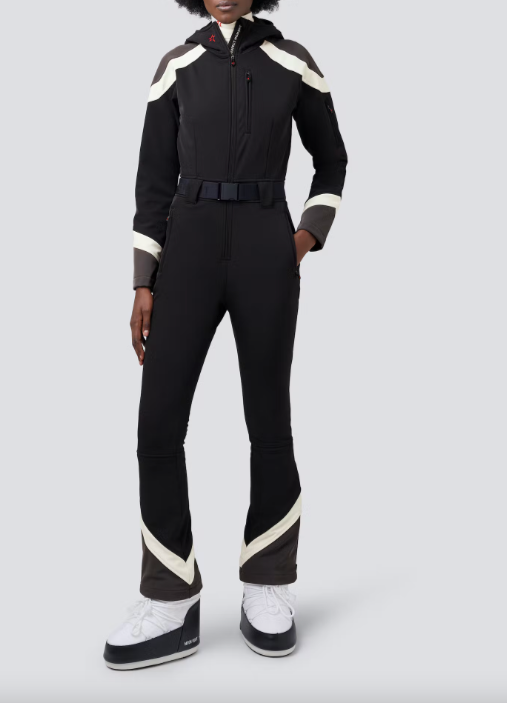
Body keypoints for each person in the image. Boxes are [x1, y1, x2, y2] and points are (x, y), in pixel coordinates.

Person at [103, 0, 347, 669]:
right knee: (158, 423)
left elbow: (332, 161)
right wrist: (143, 281)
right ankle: (169, 595)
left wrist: (302, 238)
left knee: (269, 420)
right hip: (187, 248)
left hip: (267, 243)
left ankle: (268, 580)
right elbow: (153, 182)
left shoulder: (294, 62)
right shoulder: (176, 65)